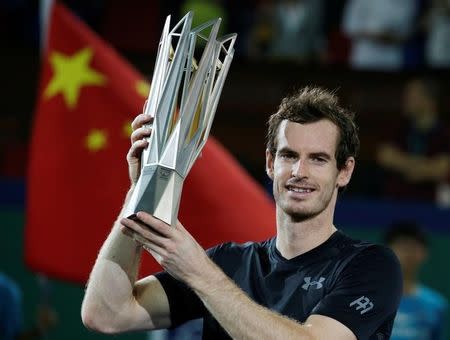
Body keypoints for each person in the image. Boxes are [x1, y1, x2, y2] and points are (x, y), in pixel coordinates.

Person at [81, 87, 402, 339]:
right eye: (288, 156)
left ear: (344, 172)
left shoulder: (369, 266)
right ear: (269, 162)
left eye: (318, 159)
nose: (299, 171)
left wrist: (200, 274)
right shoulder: (229, 264)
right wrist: (142, 192)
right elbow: (106, 312)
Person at [376, 77, 450, 205]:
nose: (405, 100)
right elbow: (384, 156)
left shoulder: (444, 134)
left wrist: (402, 163)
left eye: (412, 96)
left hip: (431, 208)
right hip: (393, 205)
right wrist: (421, 167)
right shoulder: (398, 128)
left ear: (429, 101)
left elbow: (442, 169)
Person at [384, 221, 448, 340]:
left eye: (414, 246)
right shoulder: (369, 299)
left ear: (424, 253)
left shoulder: (436, 304)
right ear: (387, 250)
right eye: (402, 245)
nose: (408, 252)